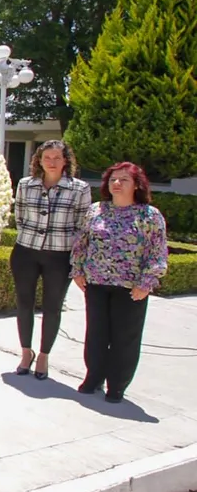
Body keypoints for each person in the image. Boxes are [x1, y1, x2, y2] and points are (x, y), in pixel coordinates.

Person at [71, 162, 168, 403]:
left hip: (130, 288)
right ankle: (94, 377)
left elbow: (157, 252)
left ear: (136, 185)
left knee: (125, 337)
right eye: (113, 179)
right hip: (96, 283)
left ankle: (117, 385)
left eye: (123, 180)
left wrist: (146, 283)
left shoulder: (149, 216)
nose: (116, 183)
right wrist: (78, 270)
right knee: (96, 334)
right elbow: (81, 243)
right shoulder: (96, 210)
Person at [10, 139, 92, 380]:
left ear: (66, 160)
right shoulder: (26, 185)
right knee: (24, 304)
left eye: (57, 158)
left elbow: (82, 226)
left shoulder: (79, 188)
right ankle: (26, 352)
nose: (52, 162)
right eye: (47, 158)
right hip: (26, 252)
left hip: (59, 256)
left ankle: (44, 356)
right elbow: (20, 217)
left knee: (52, 307)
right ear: (39, 160)